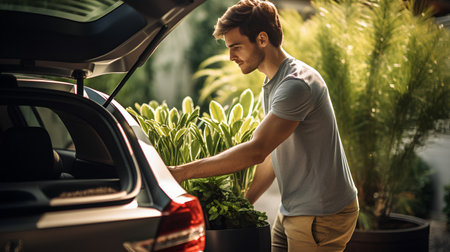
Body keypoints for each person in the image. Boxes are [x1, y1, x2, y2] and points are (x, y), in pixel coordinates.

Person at [169, 0, 358, 251]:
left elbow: (256, 150)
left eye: (236, 46)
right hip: (294, 209)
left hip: (321, 214)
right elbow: (271, 153)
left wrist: (182, 172)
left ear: (261, 39)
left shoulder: (295, 85)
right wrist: (243, 203)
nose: (230, 56)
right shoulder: (273, 84)